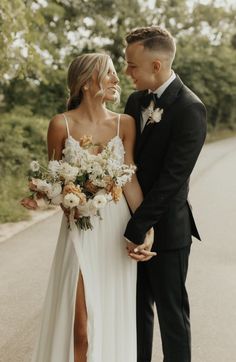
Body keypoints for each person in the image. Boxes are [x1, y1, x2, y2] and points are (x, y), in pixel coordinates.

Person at [28, 53, 156, 362]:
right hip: (79, 228)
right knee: (81, 325)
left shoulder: (124, 123)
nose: (116, 79)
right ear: (87, 82)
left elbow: (130, 181)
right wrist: (62, 199)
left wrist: (146, 228)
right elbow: (54, 180)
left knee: (110, 313)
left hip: (115, 227)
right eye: (109, 73)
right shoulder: (61, 125)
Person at [124, 26, 207, 362]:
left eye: (132, 65)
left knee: (172, 317)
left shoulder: (190, 108)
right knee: (136, 313)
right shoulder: (134, 100)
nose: (127, 71)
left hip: (168, 233)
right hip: (130, 226)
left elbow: (172, 181)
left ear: (156, 65)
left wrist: (139, 228)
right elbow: (125, 164)